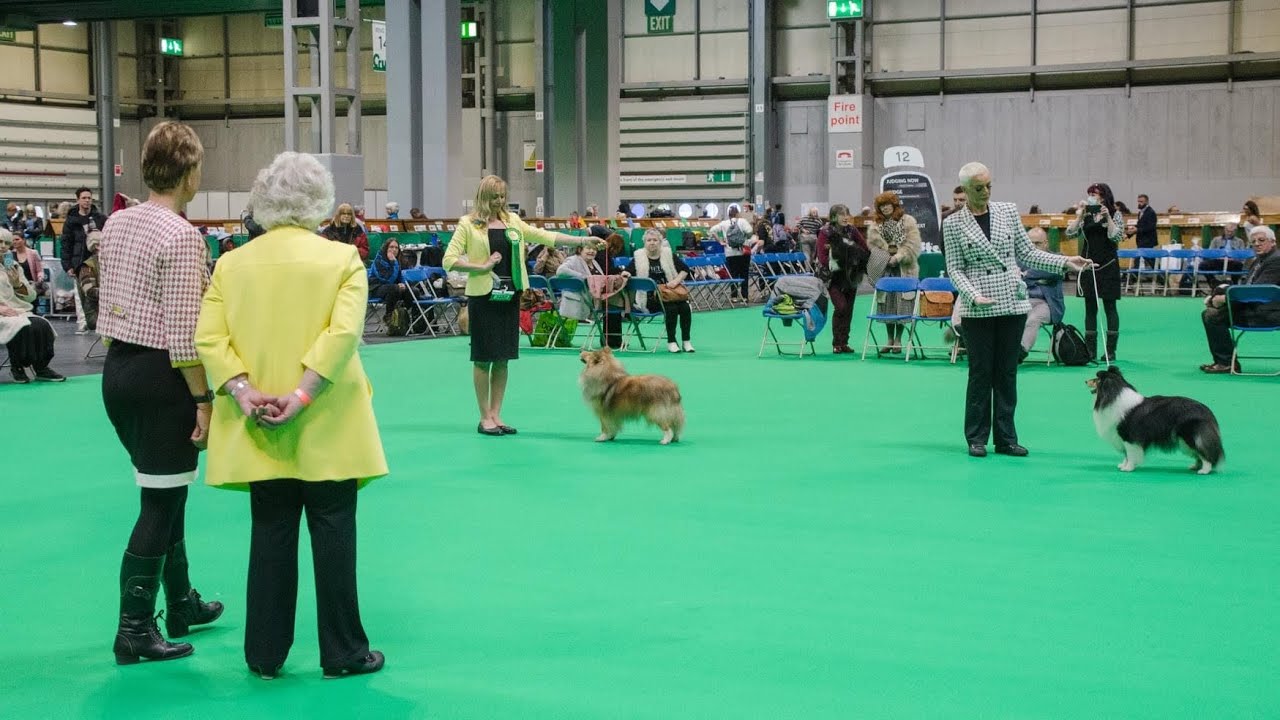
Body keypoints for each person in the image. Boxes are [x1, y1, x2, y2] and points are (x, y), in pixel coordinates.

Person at [194, 151, 388, 680]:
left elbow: (209, 337)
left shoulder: (230, 263)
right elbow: (343, 335)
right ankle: (345, 652)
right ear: (321, 204)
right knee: (334, 534)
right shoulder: (342, 259)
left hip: (259, 425)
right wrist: (301, 396)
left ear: (262, 201)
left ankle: (264, 652)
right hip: (328, 421)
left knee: (271, 534)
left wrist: (242, 390)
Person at [98, 121, 223, 665]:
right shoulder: (181, 235)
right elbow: (184, 338)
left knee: (170, 491)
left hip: (118, 372)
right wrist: (204, 400)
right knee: (160, 501)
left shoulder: (118, 221)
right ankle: (133, 630)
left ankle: (182, 602)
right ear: (189, 171)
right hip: (161, 380)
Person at [943, 162, 1092, 458]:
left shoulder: (1008, 212)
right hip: (978, 307)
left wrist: (1065, 262)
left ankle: (1006, 438)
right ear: (965, 190)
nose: (985, 192)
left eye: (988, 186)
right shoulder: (952, 223)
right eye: (978, 188)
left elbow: (1027, 253)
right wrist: (973, 295)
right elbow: (955, 269)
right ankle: (976, 438)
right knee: (980, 374)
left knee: (1007, 374)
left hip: (1012, 302)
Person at [443, 175, 600, 436]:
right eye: (495, 197)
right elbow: (449, 260)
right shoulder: (468, 224)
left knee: (503, 359)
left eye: (503, 196)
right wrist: (481, 266)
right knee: (483, 359)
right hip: (483, 297)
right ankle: (484, 417)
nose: (500, 201)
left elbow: (545, 236)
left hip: (510, 295)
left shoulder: (512, 221)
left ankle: (497, 414)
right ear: (483, 197)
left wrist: (582, 241)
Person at [1198, 225, 1280, 374]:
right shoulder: (1260, 260)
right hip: (1255, 308)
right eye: (1253, 241)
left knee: (1211, 316)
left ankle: (1226, 362)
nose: (1257, 244)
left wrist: (1224, 298)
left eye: (1261, 240)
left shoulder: (1276, 261)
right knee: (1215, 303)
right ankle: (1225, 361)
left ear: (1273, 242)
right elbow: (1249, 287)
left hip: (1267, 314)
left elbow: (1258, 292)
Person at [1066, 182, 1124, 361]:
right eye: (1090, 193)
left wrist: (1108, 218)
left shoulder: (1115, 214)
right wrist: (1080, 215)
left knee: (1110, 307)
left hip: (1108, 266)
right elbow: (1070, 233)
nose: (1092, 196)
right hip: (1088, 265)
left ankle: (1110, 350)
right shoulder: (1086, 215)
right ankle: (1090, 350)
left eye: (1095, 193)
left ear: (1104, 196)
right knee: (1090, 308)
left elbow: (1116, 236)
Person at [1, 229, 64, 383]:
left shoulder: (13, 265)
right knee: (21, 326)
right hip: (4, 312)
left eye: (7, 243)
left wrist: (17, 284)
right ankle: (17, 367)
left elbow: (31, 296)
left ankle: (41, 368)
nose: (3, 246)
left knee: (41, 324)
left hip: (18, 309)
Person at [866, 191, 922, 354]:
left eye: (887, 204)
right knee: (887, 306)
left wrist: (898, 257)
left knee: (902, 305)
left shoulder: (908, 221)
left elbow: (913, 244)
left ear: (894, 205)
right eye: (881, 206)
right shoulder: (875, 225)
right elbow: (872, 245)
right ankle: (889, 339)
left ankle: (898, 339)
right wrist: (884, 257)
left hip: (904, 269)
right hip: (885, 271)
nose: (885, 208)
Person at [626, 228, 694, 353]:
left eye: (655, 240)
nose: (652, 243)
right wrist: (625, 274)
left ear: (660, 242)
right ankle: (671, 341)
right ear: (644, 242)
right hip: (649, 298)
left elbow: (685, 269)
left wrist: (675, 281)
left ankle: (686, 341)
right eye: (649, 240)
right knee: (671, 309)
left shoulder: (667, 253)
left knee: (685, 307)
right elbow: (628, 271)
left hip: (669, 293)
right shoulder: (638, 256)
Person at [817, 204, 870, 354]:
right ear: (833, 217)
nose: (845, 217)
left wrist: (856, 257)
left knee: (849, 309)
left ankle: (844, 342)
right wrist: (839, 261)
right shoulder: (825, 232)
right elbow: (822, 257)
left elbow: (864, 248)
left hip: (851, 276)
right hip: (832, 277)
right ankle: (836, 343)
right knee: (841, 307)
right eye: (841, 215)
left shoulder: (852, 230)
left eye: (847, 214)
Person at [60, 186, 108, 333]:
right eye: (84, 198)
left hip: (98, 262)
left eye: (89, 198)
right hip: (79, 263)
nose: (87, 200)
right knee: (80, 294)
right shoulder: (71, 221)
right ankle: (83, 323)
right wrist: (67, 265)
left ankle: (101, 322)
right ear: (78, 200)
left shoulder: (100, 218)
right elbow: (65, 244)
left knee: (98, 292)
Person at [1019, 228, 1065, 361]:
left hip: (1048, 304)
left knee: (1034, 319)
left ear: (1046, 243)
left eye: (1037, 243)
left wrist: (1027, 275)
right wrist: (1038, 278)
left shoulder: (1058, 258)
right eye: (1030, 243)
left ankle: (1021, 352)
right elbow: (1014, 276)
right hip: (1023, 301)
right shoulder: (1019, 259)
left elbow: (1053, 271)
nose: (1033, 247)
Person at [708, 206, 757, 301]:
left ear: (728, 214)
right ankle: (744, 296)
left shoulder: (724, 223)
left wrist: (720, 241)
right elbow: (750, 232)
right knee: (744, 274)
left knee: (733, 275)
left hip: (730, 253)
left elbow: (712, 231)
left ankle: (734, 296)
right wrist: (745, 237)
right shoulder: (742, 221)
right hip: (743, 252)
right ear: (737, 213)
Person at [368, 239, 415, 327]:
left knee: (413, 291)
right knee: (394, 288)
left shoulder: (401, 259)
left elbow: (404, 276)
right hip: (376, 287)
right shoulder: (378, 261)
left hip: (394, 287)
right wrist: (394, 263)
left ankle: (409, 318)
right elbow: (387, 279)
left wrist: (403, 284)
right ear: (386, 248)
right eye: (391, 247)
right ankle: (389, 316)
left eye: (396, 248)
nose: (394, 250)